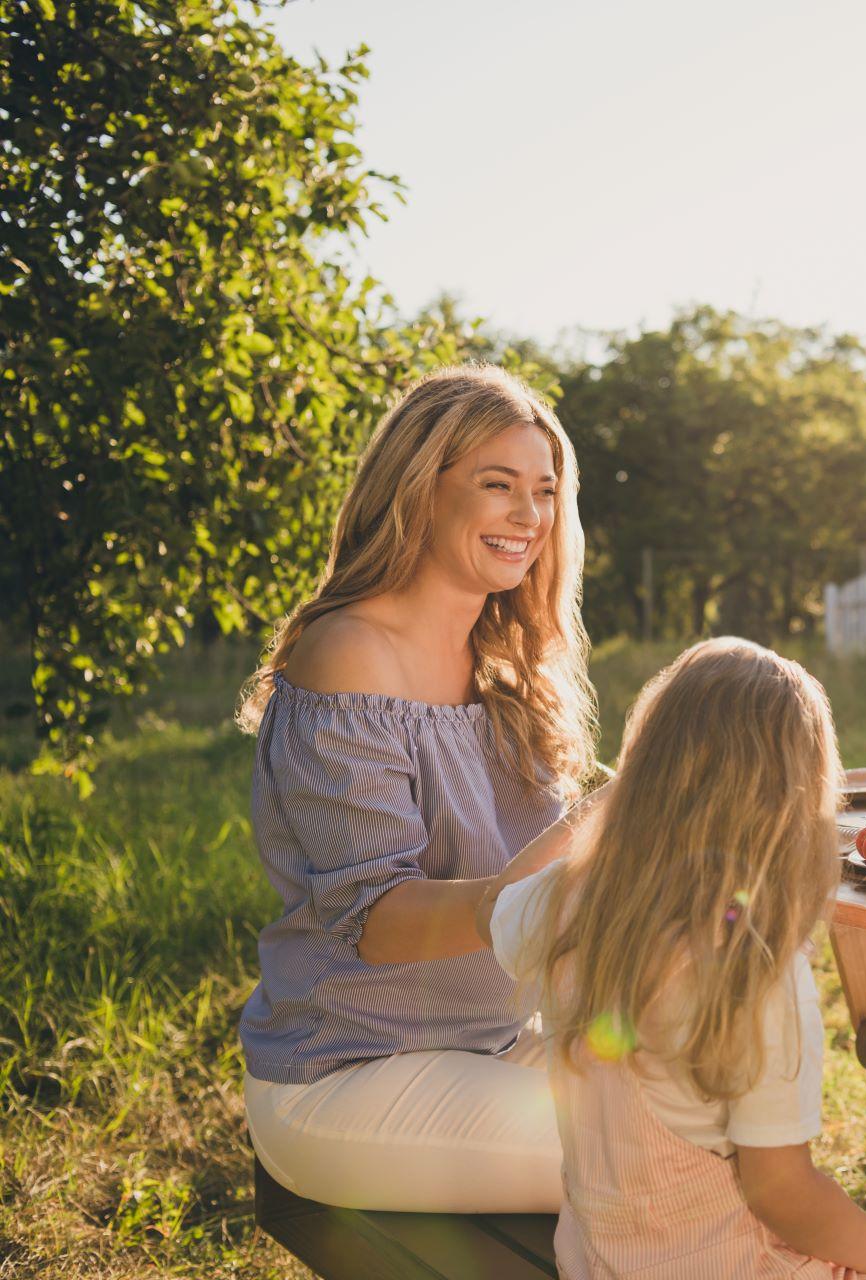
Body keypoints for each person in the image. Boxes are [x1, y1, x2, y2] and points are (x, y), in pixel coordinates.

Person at [237, 365, 600, 1213]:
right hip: (350, 1075)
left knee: (730, 1117)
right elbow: (381, 921)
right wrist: (589, 826)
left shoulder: (508, 665)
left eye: (544, 491)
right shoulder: (351, 653)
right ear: (418, 491)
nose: (529, 516)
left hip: (498, 1046)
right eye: (496, 485)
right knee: (650, 1167)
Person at [484, 639, 866, 1280]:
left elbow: (501, 910)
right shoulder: (753, 974)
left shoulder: (557, 903)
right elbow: (781, 1192)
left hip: (598, 1263)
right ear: (793, 805)